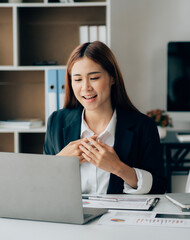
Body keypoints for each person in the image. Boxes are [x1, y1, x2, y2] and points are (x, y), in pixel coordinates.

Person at [43, 41, 167, 194]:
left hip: (121, 217)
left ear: (112, 78)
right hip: (72, 216)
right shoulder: (56, 122)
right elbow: (43, 187)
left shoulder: (143, 126)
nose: (85, 87)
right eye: (77, 79)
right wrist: (59, 162)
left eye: (94, 78)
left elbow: (159, 186)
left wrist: (118, 168)